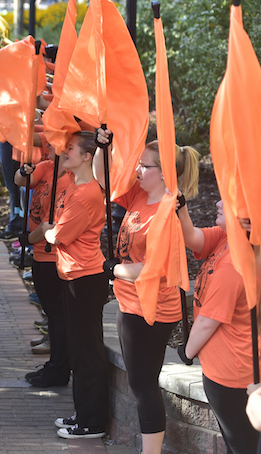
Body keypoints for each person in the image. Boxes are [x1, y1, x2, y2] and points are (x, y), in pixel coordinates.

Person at [95, 133, 201, 452]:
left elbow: (151, 270)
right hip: (130, 303)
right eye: (139, 163)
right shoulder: (141, 196)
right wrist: (103, 147)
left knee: (142, 385)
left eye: (145, 165)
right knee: (140, 382)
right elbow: (104, 178)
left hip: (150, 309)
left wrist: (111, 269)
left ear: (165, 173)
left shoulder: (166, 212)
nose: (137, 170)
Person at [37, 131, 108, 439]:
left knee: (86, 351)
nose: (64, 152)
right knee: (79, 350)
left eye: (70, 149)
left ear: (87, 157)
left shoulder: (87, 194)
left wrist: (49, 231)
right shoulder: (76, 185)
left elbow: (58, 236)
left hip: (84, 277)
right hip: (71, 274)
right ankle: (83, 413)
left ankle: (92, 422)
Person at [179, 200, 261, 454]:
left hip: (232, 374)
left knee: (241, 446)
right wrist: (180, 207)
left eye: (229, 199)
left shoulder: (234, 264)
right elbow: (191, 238)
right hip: (228, 369)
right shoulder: (226, 239)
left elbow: (207, 321)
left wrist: (188, 351)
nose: (217, 202)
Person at [18, 156, 74, 389]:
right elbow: (22, 180)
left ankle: (60, 368)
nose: (49, 144)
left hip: (54, 255)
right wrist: (24, 170)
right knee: (51, 313)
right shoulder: (47, 167)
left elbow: (53, 228)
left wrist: (28, 239)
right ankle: (55, 364)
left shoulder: (71, 178)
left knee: (58, 315)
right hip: (39, 253)